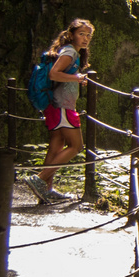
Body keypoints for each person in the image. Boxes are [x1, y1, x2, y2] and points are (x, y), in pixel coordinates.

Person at [27, 18, 93, 204]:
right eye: (81, 34)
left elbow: (63, 75)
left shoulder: (70, 52)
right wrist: (76, 78)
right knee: (76, 146)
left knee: (57, 143)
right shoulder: (70, 52)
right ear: (71, 35)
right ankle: (39, 179)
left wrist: (77, 78)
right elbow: (54, 74)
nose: (85, 38)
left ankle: (46, 191)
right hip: (62, 105)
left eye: (88, 35)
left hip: (55, 105)